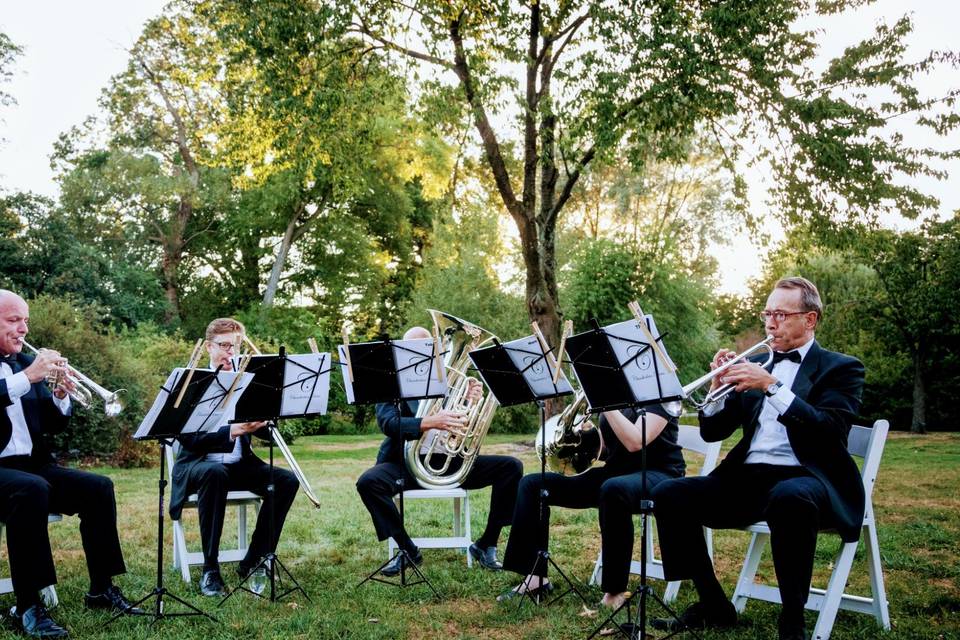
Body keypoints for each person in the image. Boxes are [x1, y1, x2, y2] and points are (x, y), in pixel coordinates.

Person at [651, 277, 866, 640]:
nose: (770, 322)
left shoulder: (841, 367)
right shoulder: (756, 364)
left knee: (790, 497)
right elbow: (714, 432)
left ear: (809, 320)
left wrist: (771, 386)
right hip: (749, 479)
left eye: (781, 314)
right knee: (671, 494)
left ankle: (792, 622)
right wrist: (717, 389)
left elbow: (830, 429)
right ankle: (713, 604)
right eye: (768, 313)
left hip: (810, 478)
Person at [0, 290, 141, 638]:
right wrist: (29, 377)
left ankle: (101, 588)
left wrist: (61, 395)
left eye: (26, 321)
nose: (23, 329)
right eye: (13, 320)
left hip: (31, 465)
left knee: (98, 487)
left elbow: (53, 424)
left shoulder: (21, 364)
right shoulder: (25, 371)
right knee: (31, 489)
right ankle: (28, 604)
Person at [355, 326, 523, 576]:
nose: (419, 354)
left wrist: (469, 401)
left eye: (426, 348)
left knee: (511, 467)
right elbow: (388, 424)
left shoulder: (451, 380)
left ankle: (486, 543)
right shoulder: (391, 383)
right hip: (405, 465)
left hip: (449, 463)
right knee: (368, 482)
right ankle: (407, 550)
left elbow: (462, 424)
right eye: (411, 349)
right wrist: (428, 422)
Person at [499, 402, 685, 605]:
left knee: (613, 489)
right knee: (532, 484)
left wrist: (605, 404)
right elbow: (606, 449)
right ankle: (535, 577)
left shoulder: (657, 393)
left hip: (659, 474)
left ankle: (615, 593)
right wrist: (577, 439)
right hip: (616, 473)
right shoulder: (618, 394)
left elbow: (635, 442)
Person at [169, 318, 299, 597]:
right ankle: (210, 569)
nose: (231, 352)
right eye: (224, 345)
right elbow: (188, 439)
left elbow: (264, 435)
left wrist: (267, 419)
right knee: (215, 474)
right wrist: (234, 430)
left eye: (236, 346)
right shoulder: (191, 383)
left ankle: (254, 559)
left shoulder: (246, 382)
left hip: (239, 465)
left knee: (287, 481)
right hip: (197, 465)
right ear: (208, 347)